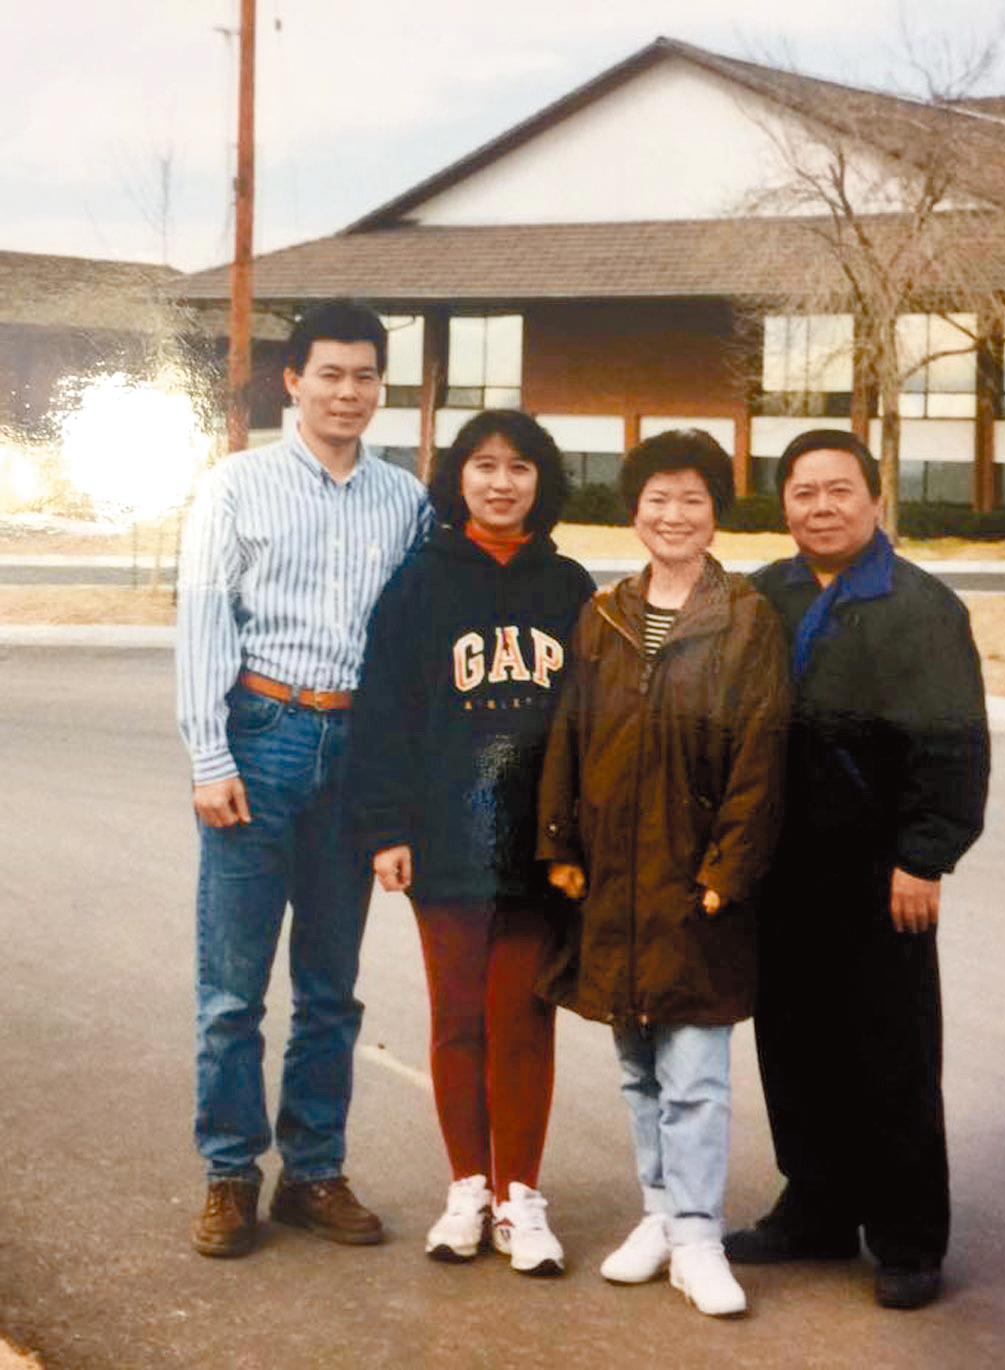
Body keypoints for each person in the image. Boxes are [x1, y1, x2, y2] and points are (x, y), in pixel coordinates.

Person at [177, 300, 431, 1258]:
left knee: (332, 988)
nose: (349, 393)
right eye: (330, 374)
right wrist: (210, 755)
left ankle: (313, 1171)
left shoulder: (402, 500)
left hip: (354, 748)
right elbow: (204, 621)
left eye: (365, 376)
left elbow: (410, 642)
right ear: (292, 381)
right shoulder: (236, 487)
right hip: (260, 737)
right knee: (232, 990)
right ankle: (230, 1176)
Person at [724, 430, 990, 1311]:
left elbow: (951, 746)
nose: (821, 507)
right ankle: (817, 1211)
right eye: (803, 492)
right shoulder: (763, 597)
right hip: (781, 867)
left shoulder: (920, 608)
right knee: (794, 1046)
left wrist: (925, 856)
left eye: (839, 490)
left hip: (881, 874)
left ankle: (908, 1237)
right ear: (784, 503)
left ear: (874, 499)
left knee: (890, 1053)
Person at [536, 430, 788, 1318]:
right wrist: (560, 846)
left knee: (695, 1074)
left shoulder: (746, 617)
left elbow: (761, 751)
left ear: (715, 510)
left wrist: (729, 867)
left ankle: (699, 1235)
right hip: (613, 876)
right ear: (632, 508)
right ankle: (657, 1215)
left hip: (694, 880)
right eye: (656, 498)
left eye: (691, 499)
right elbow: (568, 735)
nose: (672, 516)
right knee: (636, 1060)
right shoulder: (604, 615)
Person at [348, 411, 594, 1275]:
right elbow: (382, 712)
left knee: (522, 1016)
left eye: (519, 467)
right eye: (483, 465)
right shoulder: (419, 585)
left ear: (541, 481)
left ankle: (520, 1196)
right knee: (458, 1016)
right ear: (458, 478)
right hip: (446, 842)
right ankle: (467, 1187)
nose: (500, 482)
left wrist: (579, 839)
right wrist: (385, 827)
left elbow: (593, 724)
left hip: (535, 846)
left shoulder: (567, 587)